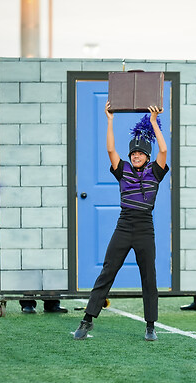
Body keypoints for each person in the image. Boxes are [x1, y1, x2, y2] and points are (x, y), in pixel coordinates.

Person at [74, 101, 169, 341]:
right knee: (108, 271)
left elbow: (164, 150)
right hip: (124, 226)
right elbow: (110, 150)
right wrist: (110, 120)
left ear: (147, 156)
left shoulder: (155, 171)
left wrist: (154, 123)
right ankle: (87, 319)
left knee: (149, 276)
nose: (136, 156)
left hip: (145, 228)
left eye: (140, 153)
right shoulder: (123, 169)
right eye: (133, 153)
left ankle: (150, 326)